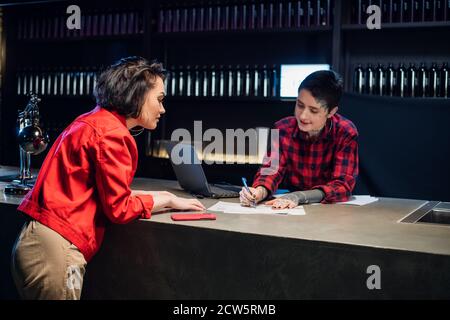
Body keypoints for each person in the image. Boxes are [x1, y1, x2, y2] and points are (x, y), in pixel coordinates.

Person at [10, 56, 205, 300]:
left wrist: (163, 196)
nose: (163, 109)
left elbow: (103, 192)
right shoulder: (113, 135)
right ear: (138, 95)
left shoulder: (91, 121)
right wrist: (165, 201)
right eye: (159, 99)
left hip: (35, 243)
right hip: (56, 253)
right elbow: (118, 208)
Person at [240, 70, 359, 209]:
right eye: (300, 105)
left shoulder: (345, 132)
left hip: (329, 210)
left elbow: (342, 185)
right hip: (288, 209)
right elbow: (271, 171)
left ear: (331, 112)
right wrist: (259, 191)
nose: (302, 116)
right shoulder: (282, 128)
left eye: (313, 111)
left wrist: (300, 196)